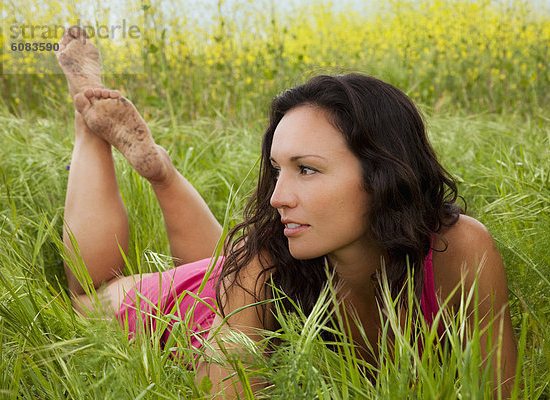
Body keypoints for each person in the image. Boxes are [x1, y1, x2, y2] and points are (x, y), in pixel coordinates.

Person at [56, 26, 517, 397]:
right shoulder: (262, 260)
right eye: (278, 169)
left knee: (233, 260)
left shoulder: (461, 251)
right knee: (89, 297)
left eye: (308, 170)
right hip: (212, 308)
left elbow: (500, 390)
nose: (277, 196)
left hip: (246, 279)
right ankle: (88, 120)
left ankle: (162, 173)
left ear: (383, 174)